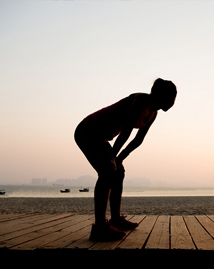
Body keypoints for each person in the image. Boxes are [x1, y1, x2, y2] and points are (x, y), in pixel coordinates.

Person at [74, 78, 177, 241]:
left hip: (101, 138)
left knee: (119, 171)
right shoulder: (140, 100)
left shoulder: (153, 112)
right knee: (107, 172)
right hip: (88, 130)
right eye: (171, 96)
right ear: (159, 94)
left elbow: (138, 139)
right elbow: (126, 133)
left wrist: (119, 158)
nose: (173, 101)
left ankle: (115, 219)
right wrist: (112, 158)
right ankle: (100, 227)